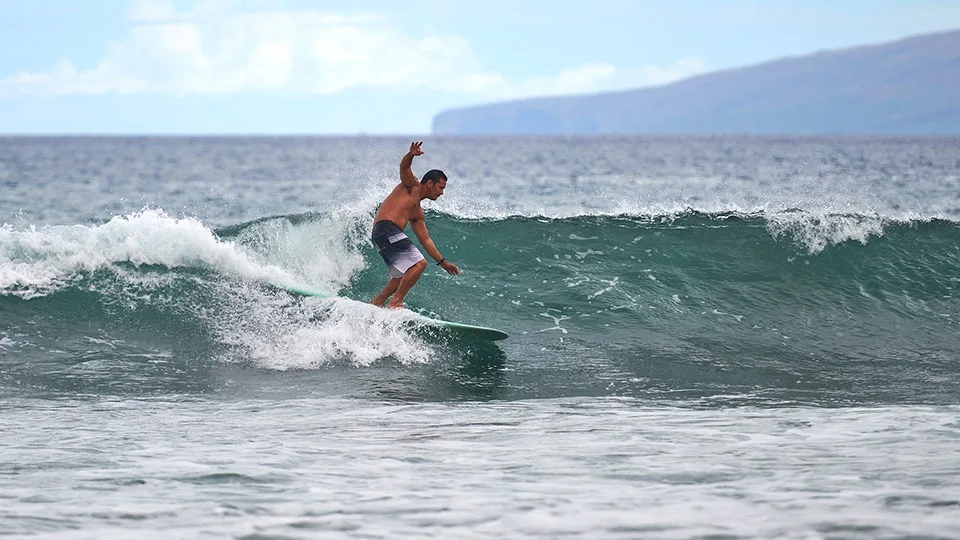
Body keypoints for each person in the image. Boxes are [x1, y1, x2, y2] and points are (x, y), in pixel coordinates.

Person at [370, 141, 460, 308]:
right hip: (386, 228)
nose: (441, 193)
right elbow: (404, 168)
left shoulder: (417, 212)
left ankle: (376, 302)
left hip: (380, 234)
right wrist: (411, 155)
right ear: (429, 183)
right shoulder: (412, 186)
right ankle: (396, 302)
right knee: (419, 263)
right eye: (440, 187)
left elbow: (425, 240)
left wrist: (443, 262)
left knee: (402, 274)